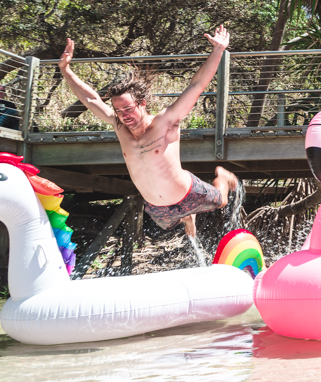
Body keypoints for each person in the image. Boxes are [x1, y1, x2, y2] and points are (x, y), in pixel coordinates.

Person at [58, 26, 238, 237]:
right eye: (118, 111)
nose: (124, 115)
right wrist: (65, 70)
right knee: (167, 227)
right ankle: (187, 217)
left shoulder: (165, 121)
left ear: (142, 103)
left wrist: (218, 50)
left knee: (221, 200)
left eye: (128, 108)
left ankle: (223, 177)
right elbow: (91, 99)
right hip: (158, 208)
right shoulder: (119, 126)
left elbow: (196, 85)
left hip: (189, 193)